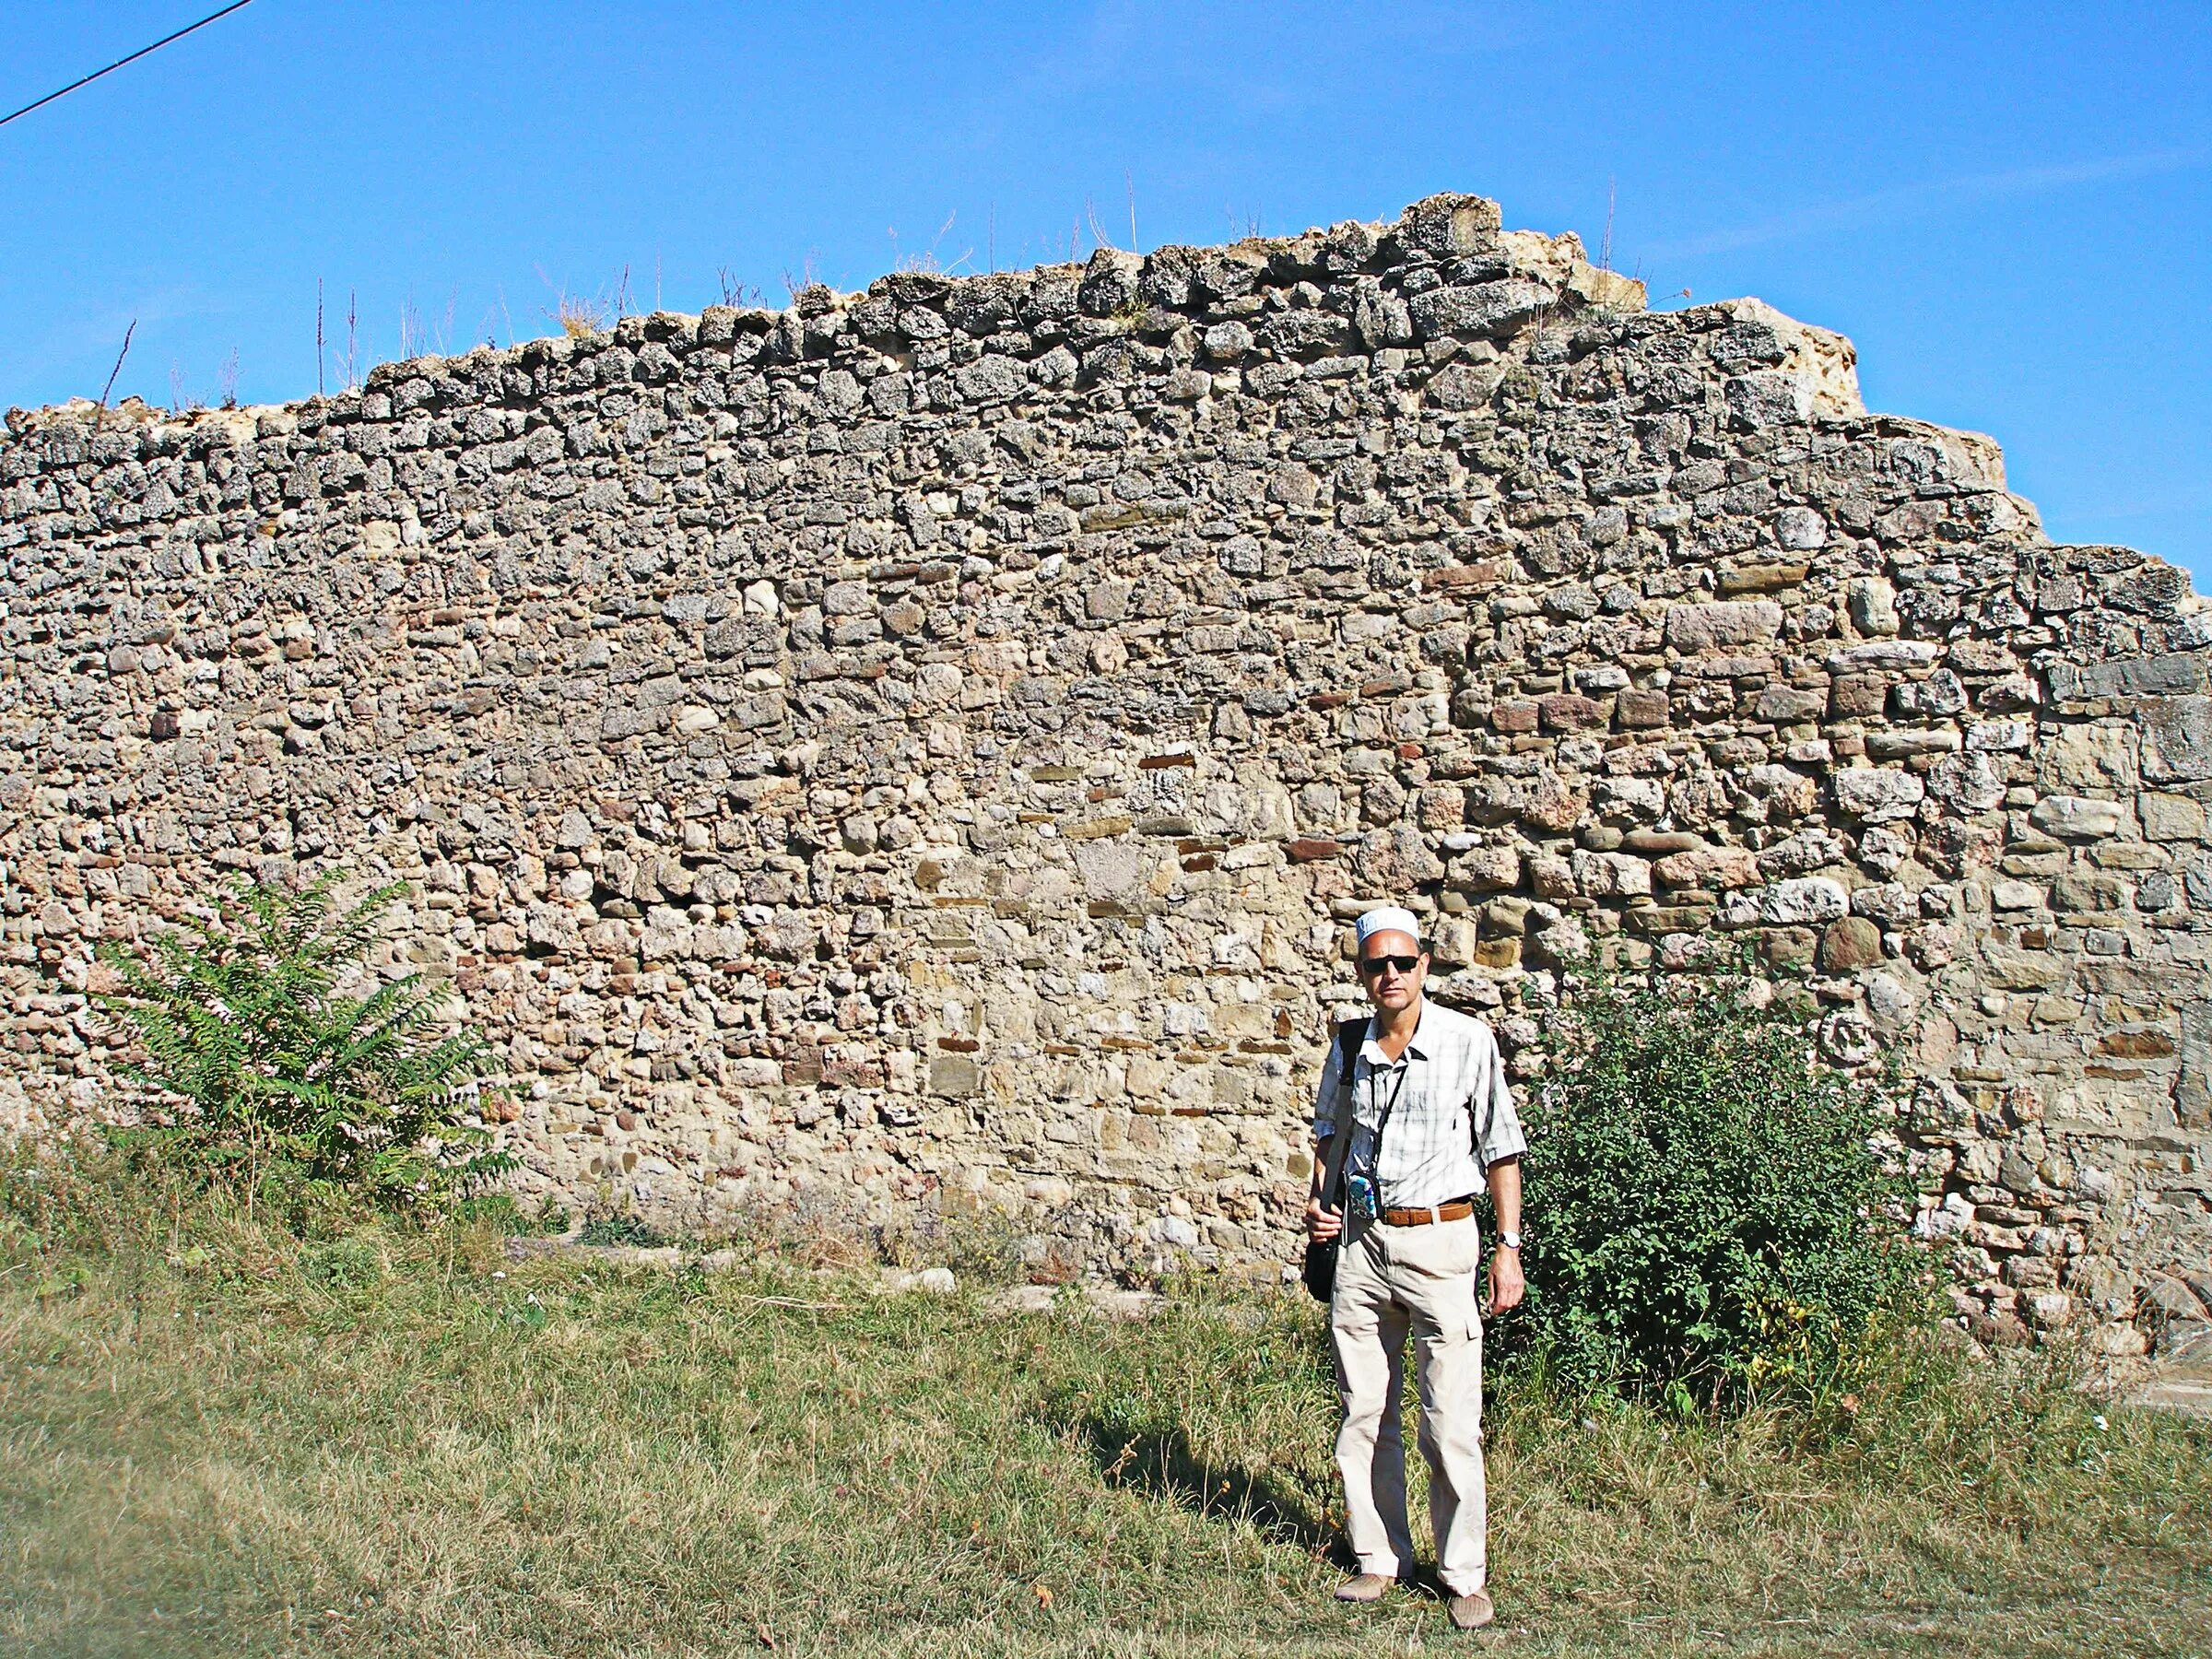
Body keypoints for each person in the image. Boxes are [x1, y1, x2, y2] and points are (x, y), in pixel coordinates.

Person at [1304, 904, 1526, 1632]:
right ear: (1363, 973)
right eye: (1377, 964)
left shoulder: (1467, 1042)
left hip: (1442, 1243)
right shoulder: (1348, 1044)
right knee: (1364, 1412)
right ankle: (1379, 1558)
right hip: (1364, 1248)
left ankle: (1463, 1573)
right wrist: (1319, 1206)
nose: (1390, 975)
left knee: (1449, 1420)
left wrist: (1509, 1247)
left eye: (1404, 962)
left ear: (1425, 966)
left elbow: (1500, 1147)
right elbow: (1329, 1134)